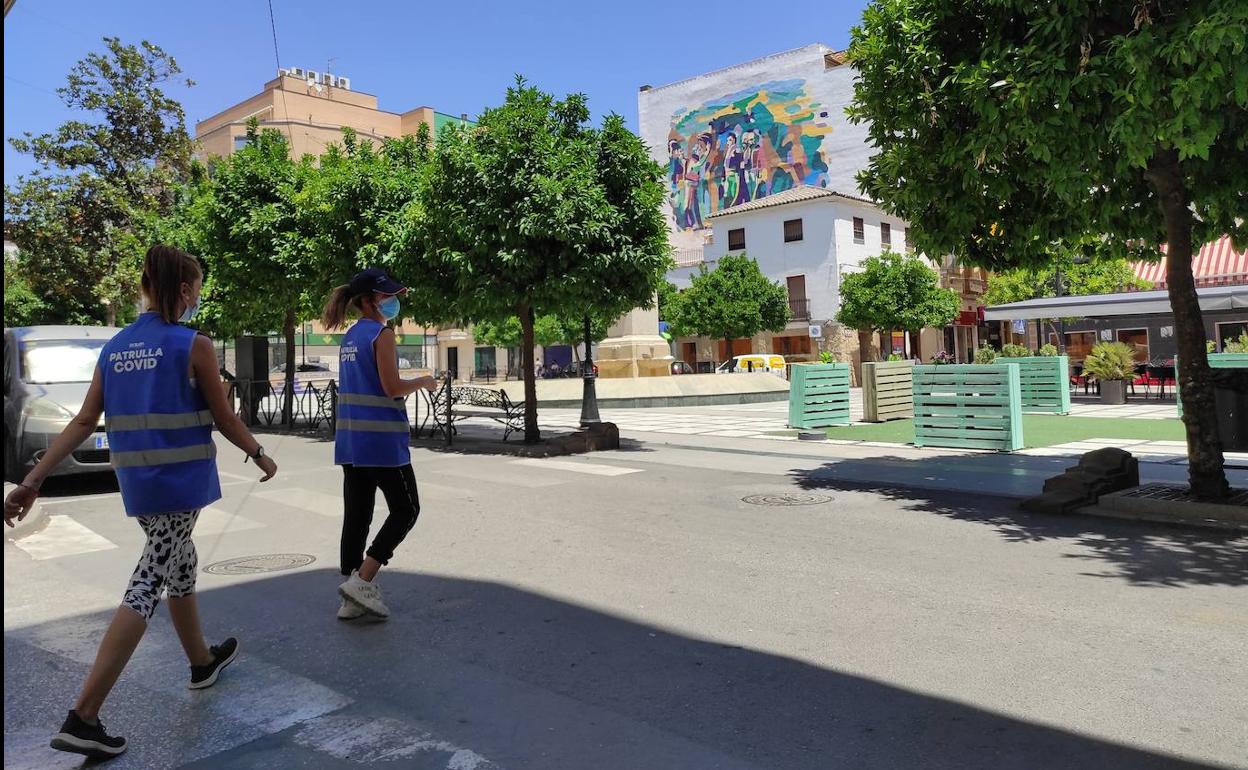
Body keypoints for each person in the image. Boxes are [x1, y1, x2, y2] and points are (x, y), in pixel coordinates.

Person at [3, 245, 278, 761]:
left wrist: (32, 479)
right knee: (148, 580)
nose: (197, 297)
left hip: (140, 487)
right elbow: (224, 417)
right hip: (180, 486)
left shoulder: (114, 348)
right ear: (182, 290)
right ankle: (84, 714)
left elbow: (85, 421)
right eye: (195, 289)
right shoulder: (194, 344)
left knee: (180, 561)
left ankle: (201, 662)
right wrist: (259, 453)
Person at [321, 268, 438, 621]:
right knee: (407, 509)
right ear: (372, 300)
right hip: (383, 442)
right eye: (388, 296)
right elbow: (390, 387)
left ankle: (349, 595)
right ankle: (364, 579)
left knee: (357, 516)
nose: (394, 301)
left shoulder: (351, 337)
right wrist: (423, 381)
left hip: (352, 441)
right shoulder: (381, 336)